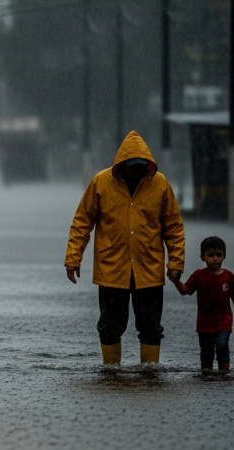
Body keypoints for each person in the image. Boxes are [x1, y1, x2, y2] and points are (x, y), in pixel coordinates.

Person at [65, 130, 185, 365]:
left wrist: (176, 262)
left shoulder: (159, 184)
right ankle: (111, 374)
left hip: (148, 270)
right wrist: (73, 258)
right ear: (121, 164)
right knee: (109, 327)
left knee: (151, 327)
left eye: (140, 166)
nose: (135, 170)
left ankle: (149, 374)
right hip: (112, 270)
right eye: (131, 166)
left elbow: (174, 228)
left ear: (147, 165)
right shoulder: (101, 182)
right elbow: (82, 222)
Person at [171, 237, 234, 372]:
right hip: (204, 323)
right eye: (210, 255)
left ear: (224, 256)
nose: (215, 258)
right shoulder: (199, 275)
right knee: (206, 352)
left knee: (222, 346)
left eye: (219, 255)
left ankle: (225, 375)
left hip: (224, 321)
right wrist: (176, 281)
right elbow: (185, 291)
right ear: (202, 257)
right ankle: (206, 379)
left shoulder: (229, 276)